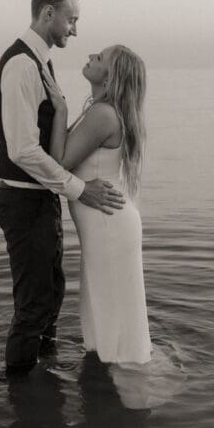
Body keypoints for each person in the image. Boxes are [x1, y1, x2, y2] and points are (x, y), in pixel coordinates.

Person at [0, 0, 125, 374]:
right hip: (22, 198)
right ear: (48, 13)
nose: (75, 30)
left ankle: (45, 381)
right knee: (34, 304)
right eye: (72, 19)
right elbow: (22, 150)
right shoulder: (20, 64)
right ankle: (20, 395)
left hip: (40, 197)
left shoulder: (40, 61)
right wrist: (80, 190)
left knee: (52, 294)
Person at [44, 44, 152, 365]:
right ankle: (112, 377)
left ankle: (128, 384)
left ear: (111, 76)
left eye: (100, 58)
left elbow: (59, 161)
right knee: (104, 308)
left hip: (109, 225)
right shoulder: (100, 110)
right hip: (107, 225)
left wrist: (60, 110)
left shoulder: (103, 114)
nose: (92, 56)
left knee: (113, 310)